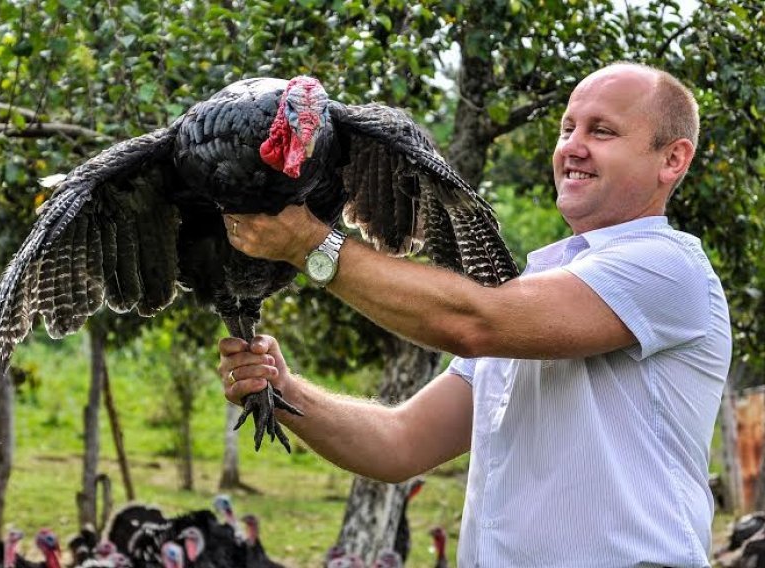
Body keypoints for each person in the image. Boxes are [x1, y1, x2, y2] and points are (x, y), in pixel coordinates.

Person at [218, 62, 732, 567]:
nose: (573, 146)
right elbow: (400, 444)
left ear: (673, 159)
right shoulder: (535, 291)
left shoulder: (669, 267)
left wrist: (312, 245)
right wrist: (285, 391)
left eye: (603, 131)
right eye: (567, 127)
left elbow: (475, 323)